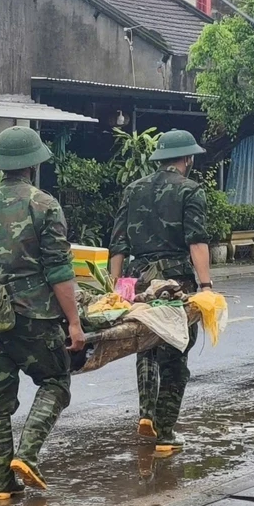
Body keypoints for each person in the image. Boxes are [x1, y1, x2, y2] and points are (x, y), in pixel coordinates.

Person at [0, 126, 86, 500]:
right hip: (34, 316)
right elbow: (59, 271)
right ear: (33, 163)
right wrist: (75, 323)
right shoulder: (45, 205)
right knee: (55, 382)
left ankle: (3, 484)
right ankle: (27, 455)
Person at [108, 129, 213, 456]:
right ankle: (166, 433)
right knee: (175, 350)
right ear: (187, 158)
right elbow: (196, 241)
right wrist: (206, 286)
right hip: (173, 281)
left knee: (145, 342)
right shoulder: (190, 191)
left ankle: (146, 414)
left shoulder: (133, 189)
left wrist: (115, 287)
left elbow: (118, 242)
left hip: (136, 281)